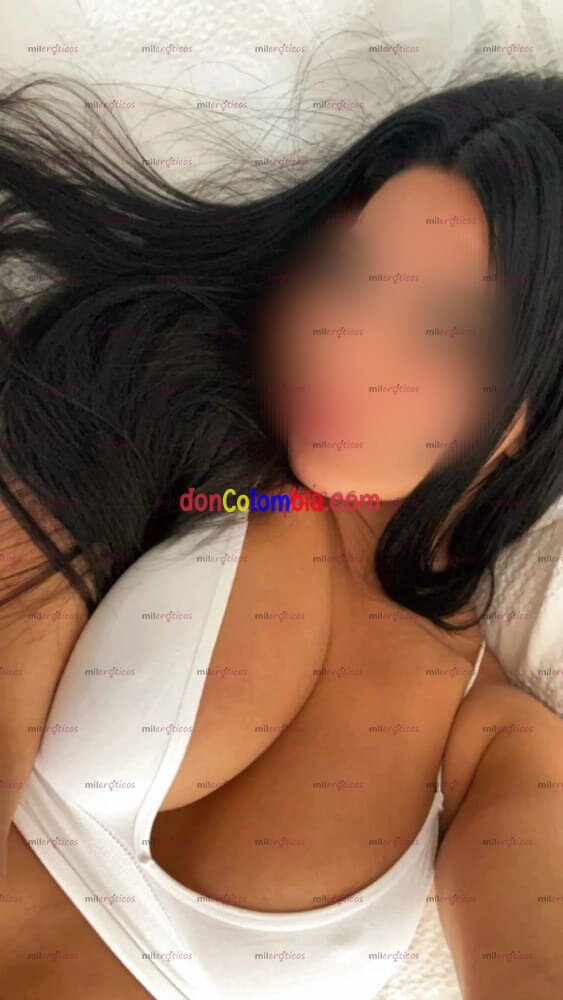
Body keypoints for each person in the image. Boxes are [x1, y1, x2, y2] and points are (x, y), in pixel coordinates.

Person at [0, 70, 562, 999]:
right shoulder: (157, 424)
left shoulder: (496, 731)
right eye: (348, 274)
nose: (345, 343)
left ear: (534, 406)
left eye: (445, 326)